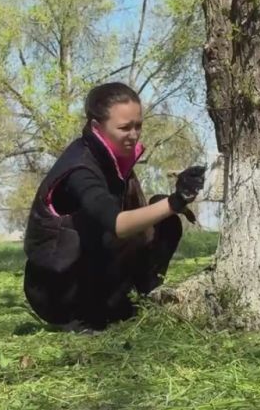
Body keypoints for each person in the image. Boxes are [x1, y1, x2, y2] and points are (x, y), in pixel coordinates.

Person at [22, 82, 206, 331]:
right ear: (97, 127)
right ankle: (82, 318)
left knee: (164, 221)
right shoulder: (80, 169)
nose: (134, 134)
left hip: (97, 277)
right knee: (125, 227)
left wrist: (172, 203)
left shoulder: (113, 160)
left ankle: (137, 301)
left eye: (138, 126)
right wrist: (176, 201)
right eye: (124, 128)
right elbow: (117, 224)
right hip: (57, 292)